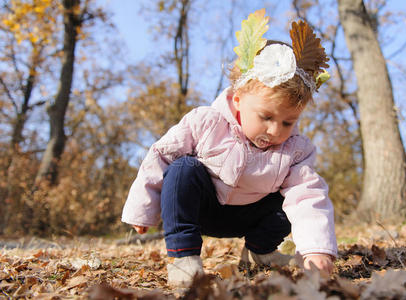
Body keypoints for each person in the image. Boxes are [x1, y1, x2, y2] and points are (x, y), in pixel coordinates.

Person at [122, 9, 337, 287]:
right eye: (266, 117)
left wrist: (316, 249)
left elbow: (308, 196)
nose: (275, 130)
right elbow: (161, 155)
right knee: (182, 169)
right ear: (238, 100)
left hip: (250, 215)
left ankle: (259, 253)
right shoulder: (206, 122)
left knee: (291, 198)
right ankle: (184, 259)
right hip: (204, 209)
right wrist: (144, 209)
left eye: (287, 122)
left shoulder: (295, 150)